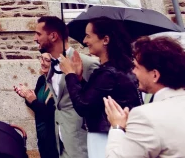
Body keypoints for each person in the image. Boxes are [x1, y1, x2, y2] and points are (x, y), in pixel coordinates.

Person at [15, 16, 97, 158]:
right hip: (59, 147)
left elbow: (96, 106)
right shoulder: (51, 68)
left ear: (53, 36)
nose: (35, 38)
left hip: (82, 146)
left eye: (39, 34)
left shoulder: (87, 64)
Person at [60, 18, 141, 158]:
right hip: (114, 133)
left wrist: (70, 74)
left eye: (88, 35)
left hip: (106, 136)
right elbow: (94, 98)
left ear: (105, 40)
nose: (84, 41)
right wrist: (79, 79)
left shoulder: (108, 73)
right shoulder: (116, 69)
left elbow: (83, 106)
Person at [103, 35, 185, 157]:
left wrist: (117, 127)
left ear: (155, 75)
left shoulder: (145, 117)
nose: (133, 72)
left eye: (136, 66)